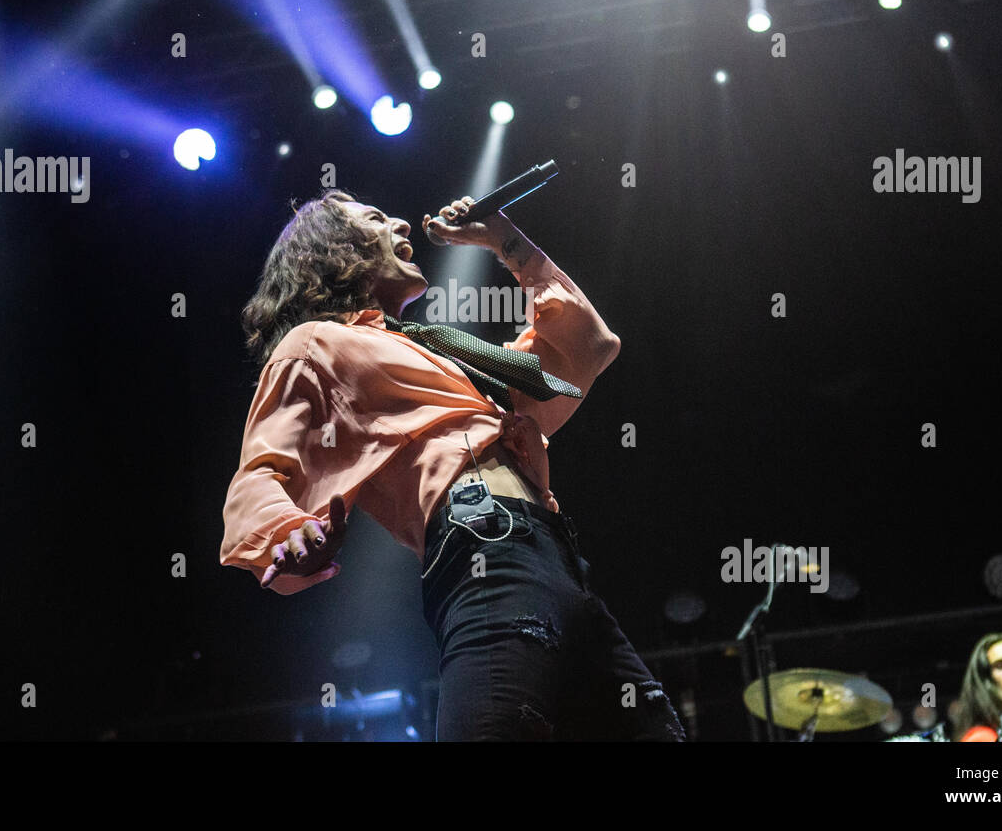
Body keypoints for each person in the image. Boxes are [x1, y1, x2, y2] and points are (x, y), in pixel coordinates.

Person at [220, 188, 685, 741]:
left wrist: (503, 238)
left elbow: (589, 346)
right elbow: (261, 470)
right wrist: (288, 531)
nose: (399, 221)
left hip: (555, 557)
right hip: (484, 545)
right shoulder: (314, 344)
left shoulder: (453, 362)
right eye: (375, 218)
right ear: (335, 252)